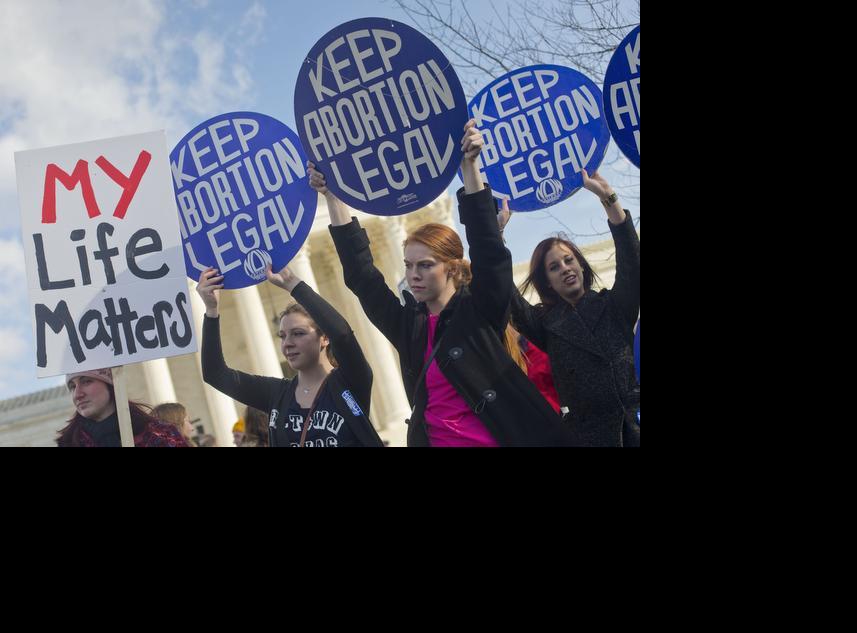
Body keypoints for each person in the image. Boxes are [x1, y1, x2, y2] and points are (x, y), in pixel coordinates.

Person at [309, 119, 574, 447]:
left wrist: (469, 167)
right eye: (408, 265)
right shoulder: (410, 327)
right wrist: (334, 199)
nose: (413, 274)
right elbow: (363, 278)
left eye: (425, 265)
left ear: (451, 268)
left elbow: (489, 253)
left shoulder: (481, 311)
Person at [504, 170, 641, 447]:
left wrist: (609, 199)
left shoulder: (615, 306)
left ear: (581, 264)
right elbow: (509, 298)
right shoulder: (545, 326)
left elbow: (631, 261)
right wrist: (496, 237)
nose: (565, 268)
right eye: (554, 267)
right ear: (548, 283)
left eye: (569, 260)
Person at [197, 260, 385, 447]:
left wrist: (294, 285)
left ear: (325, 338)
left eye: (298, 333)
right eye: (282, 336)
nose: (287, 344)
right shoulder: (276, 394)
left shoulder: (351, 381)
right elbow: (215, 374)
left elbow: (343, 335)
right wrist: (211, 310)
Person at [56, 369, 189, 447]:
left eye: (86, 381)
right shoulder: (70, 443)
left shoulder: (162, 434)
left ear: (110, 385)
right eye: (72, 386)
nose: (78, 394)